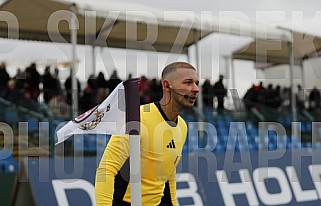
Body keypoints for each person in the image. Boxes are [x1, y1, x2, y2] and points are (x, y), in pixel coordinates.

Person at [95, 62, 200, 205]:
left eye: (196, 83)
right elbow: (105, 170)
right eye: (188, 83)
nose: (196, 89)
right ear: (167, 85)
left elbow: (169, 174)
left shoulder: (182, 126)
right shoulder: (138, 118)